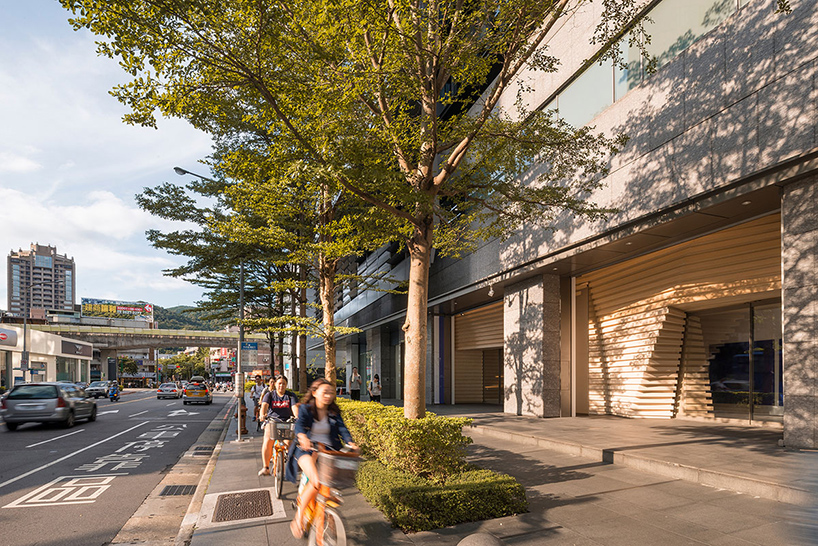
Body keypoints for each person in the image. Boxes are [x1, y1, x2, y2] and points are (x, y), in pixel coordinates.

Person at [286, 378, 359, 538]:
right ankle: (298, 517)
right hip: (305, 450)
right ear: (314, 393)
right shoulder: (305, 409)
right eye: (325, 392)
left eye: (331, 393)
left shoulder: (333, 412)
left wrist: (350, 442)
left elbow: (342, 429)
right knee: (316, 481)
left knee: (330, 486)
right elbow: (299, 425)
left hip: (328, 451)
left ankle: (327, 515)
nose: (328, 395)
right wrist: (302, 437)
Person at [258, 376, 299, 476]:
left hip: (287, 422)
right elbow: (264, 406)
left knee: (289, 443)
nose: (281, 385)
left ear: (286, 385)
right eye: (279, 383)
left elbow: (295, 408)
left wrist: (298, 416)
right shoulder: (269, 395)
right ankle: (266, 467)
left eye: (283, 383)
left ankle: (291, 465)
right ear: (275, 384)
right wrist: (262, 415)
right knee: (268, 440)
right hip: (272, 422)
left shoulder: (290, 396)